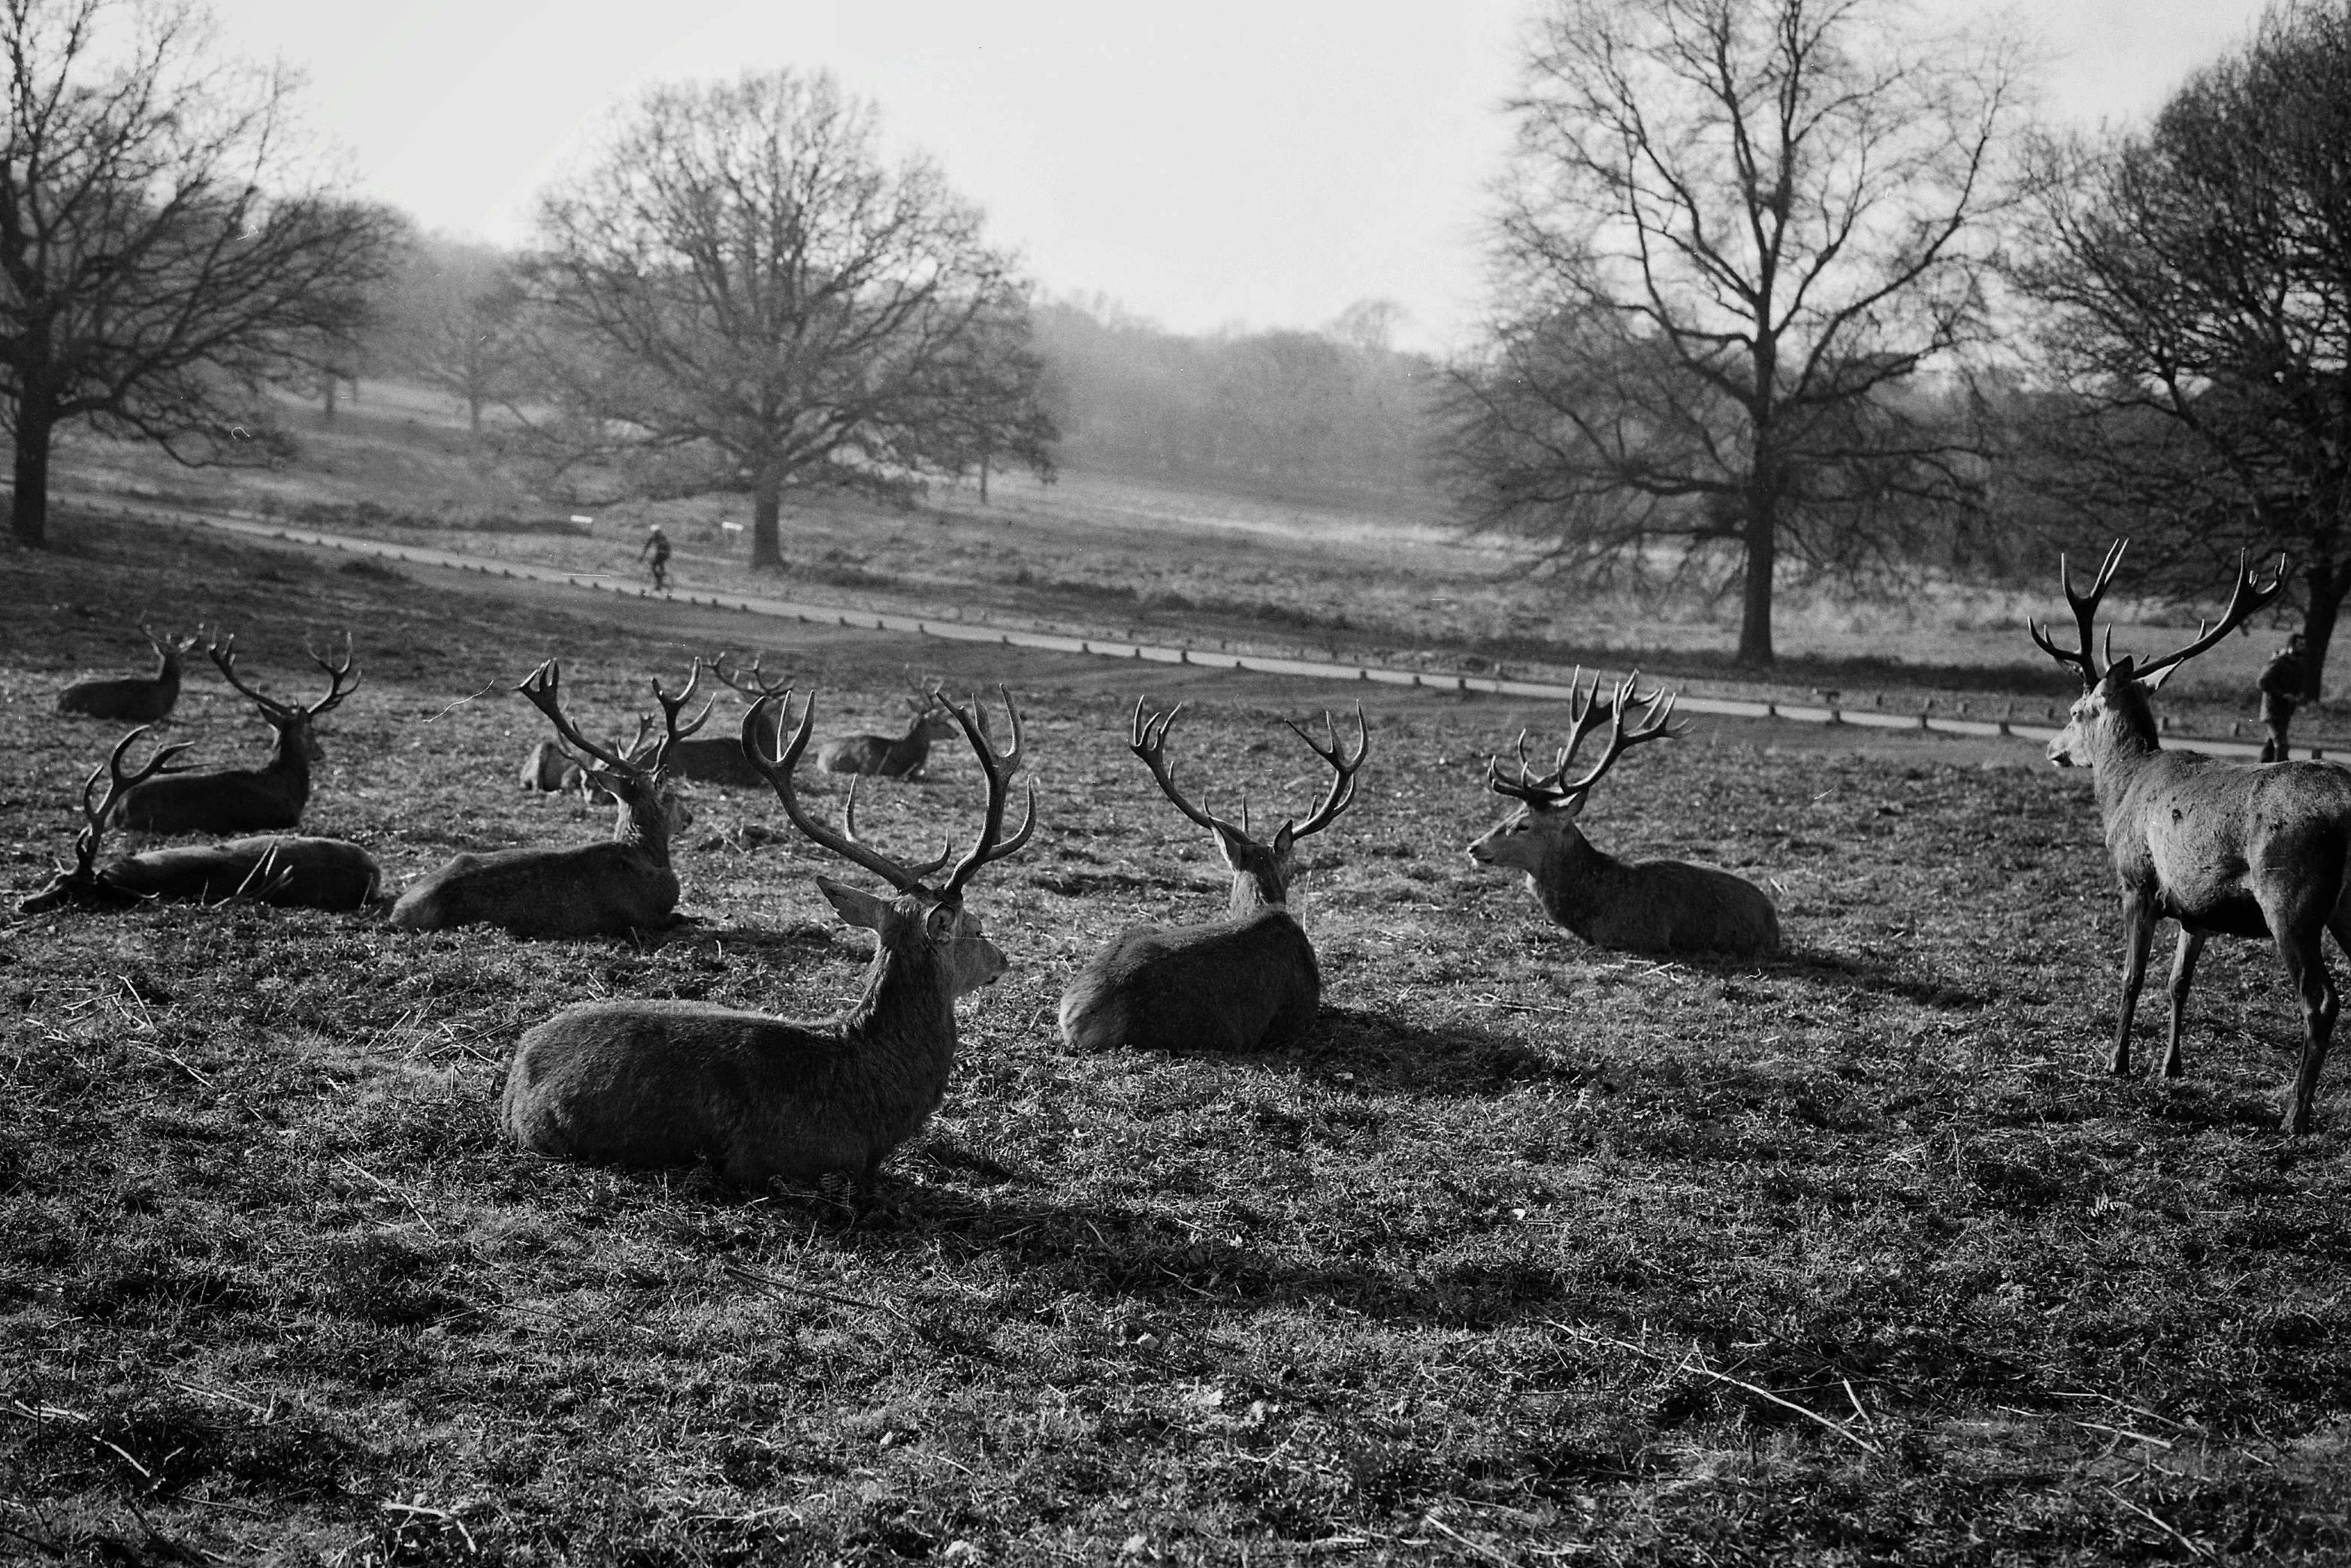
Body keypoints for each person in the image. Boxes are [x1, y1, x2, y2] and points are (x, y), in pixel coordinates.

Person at [2258, 632, 2308, 762]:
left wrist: (2299, 696)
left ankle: (2259, 772)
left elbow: (2297, 688)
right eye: (2300, 645)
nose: (2303, 647)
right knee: (2282, 745)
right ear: (2291, 646)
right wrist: (2283, 694)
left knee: (2270, 747)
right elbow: (2263, 682)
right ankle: (2281, 775)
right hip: (2273, 711)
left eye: (2304, 645)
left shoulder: (2299, 666)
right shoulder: (2278, 662)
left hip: (2285, 712)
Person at [638, 524, 672, 593]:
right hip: (666, 554)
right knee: (660, 564)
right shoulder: (663, 537)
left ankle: (659, 582)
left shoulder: (654, 537)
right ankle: (661, 579)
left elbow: (647, 547)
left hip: (661, 553)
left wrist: (642, 556)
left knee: (653, 565)